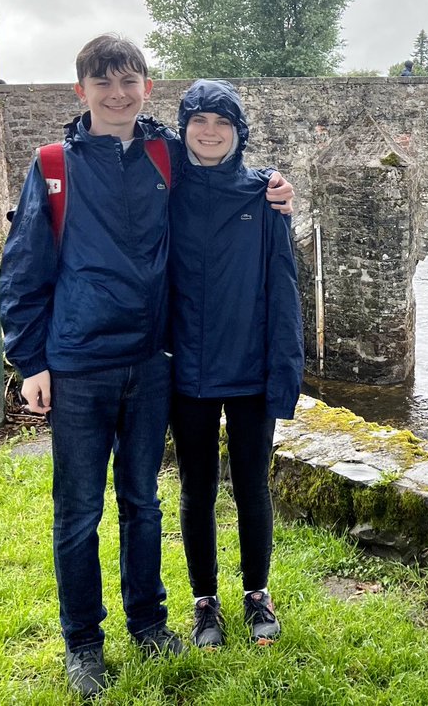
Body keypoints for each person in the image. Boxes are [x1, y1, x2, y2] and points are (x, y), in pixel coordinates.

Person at [0, 35, 293, 699]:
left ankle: (150, 622)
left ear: (146, 88)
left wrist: (275, 185)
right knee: (77, 511)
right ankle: (83, 643)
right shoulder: (54, 165)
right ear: (82, 90)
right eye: (103, 81)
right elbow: (23, 269)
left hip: (149, 360)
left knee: (141, 502)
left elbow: (223, 174)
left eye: (129, 80)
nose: (117, 92)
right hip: (77, 366)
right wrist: (32, 359)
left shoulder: (164, 154)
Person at [166, 79, 303, 649]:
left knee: (252, 485)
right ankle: (205, 603)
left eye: (222, 122)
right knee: (197, 489)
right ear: (184, 128)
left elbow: (284, 286)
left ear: (239, 131)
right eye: (199, 120)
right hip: (187, 368)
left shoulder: (264, 196)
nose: (210, 131)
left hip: (249, 366)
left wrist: (284, 370)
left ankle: (256, 594)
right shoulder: (163, 188)